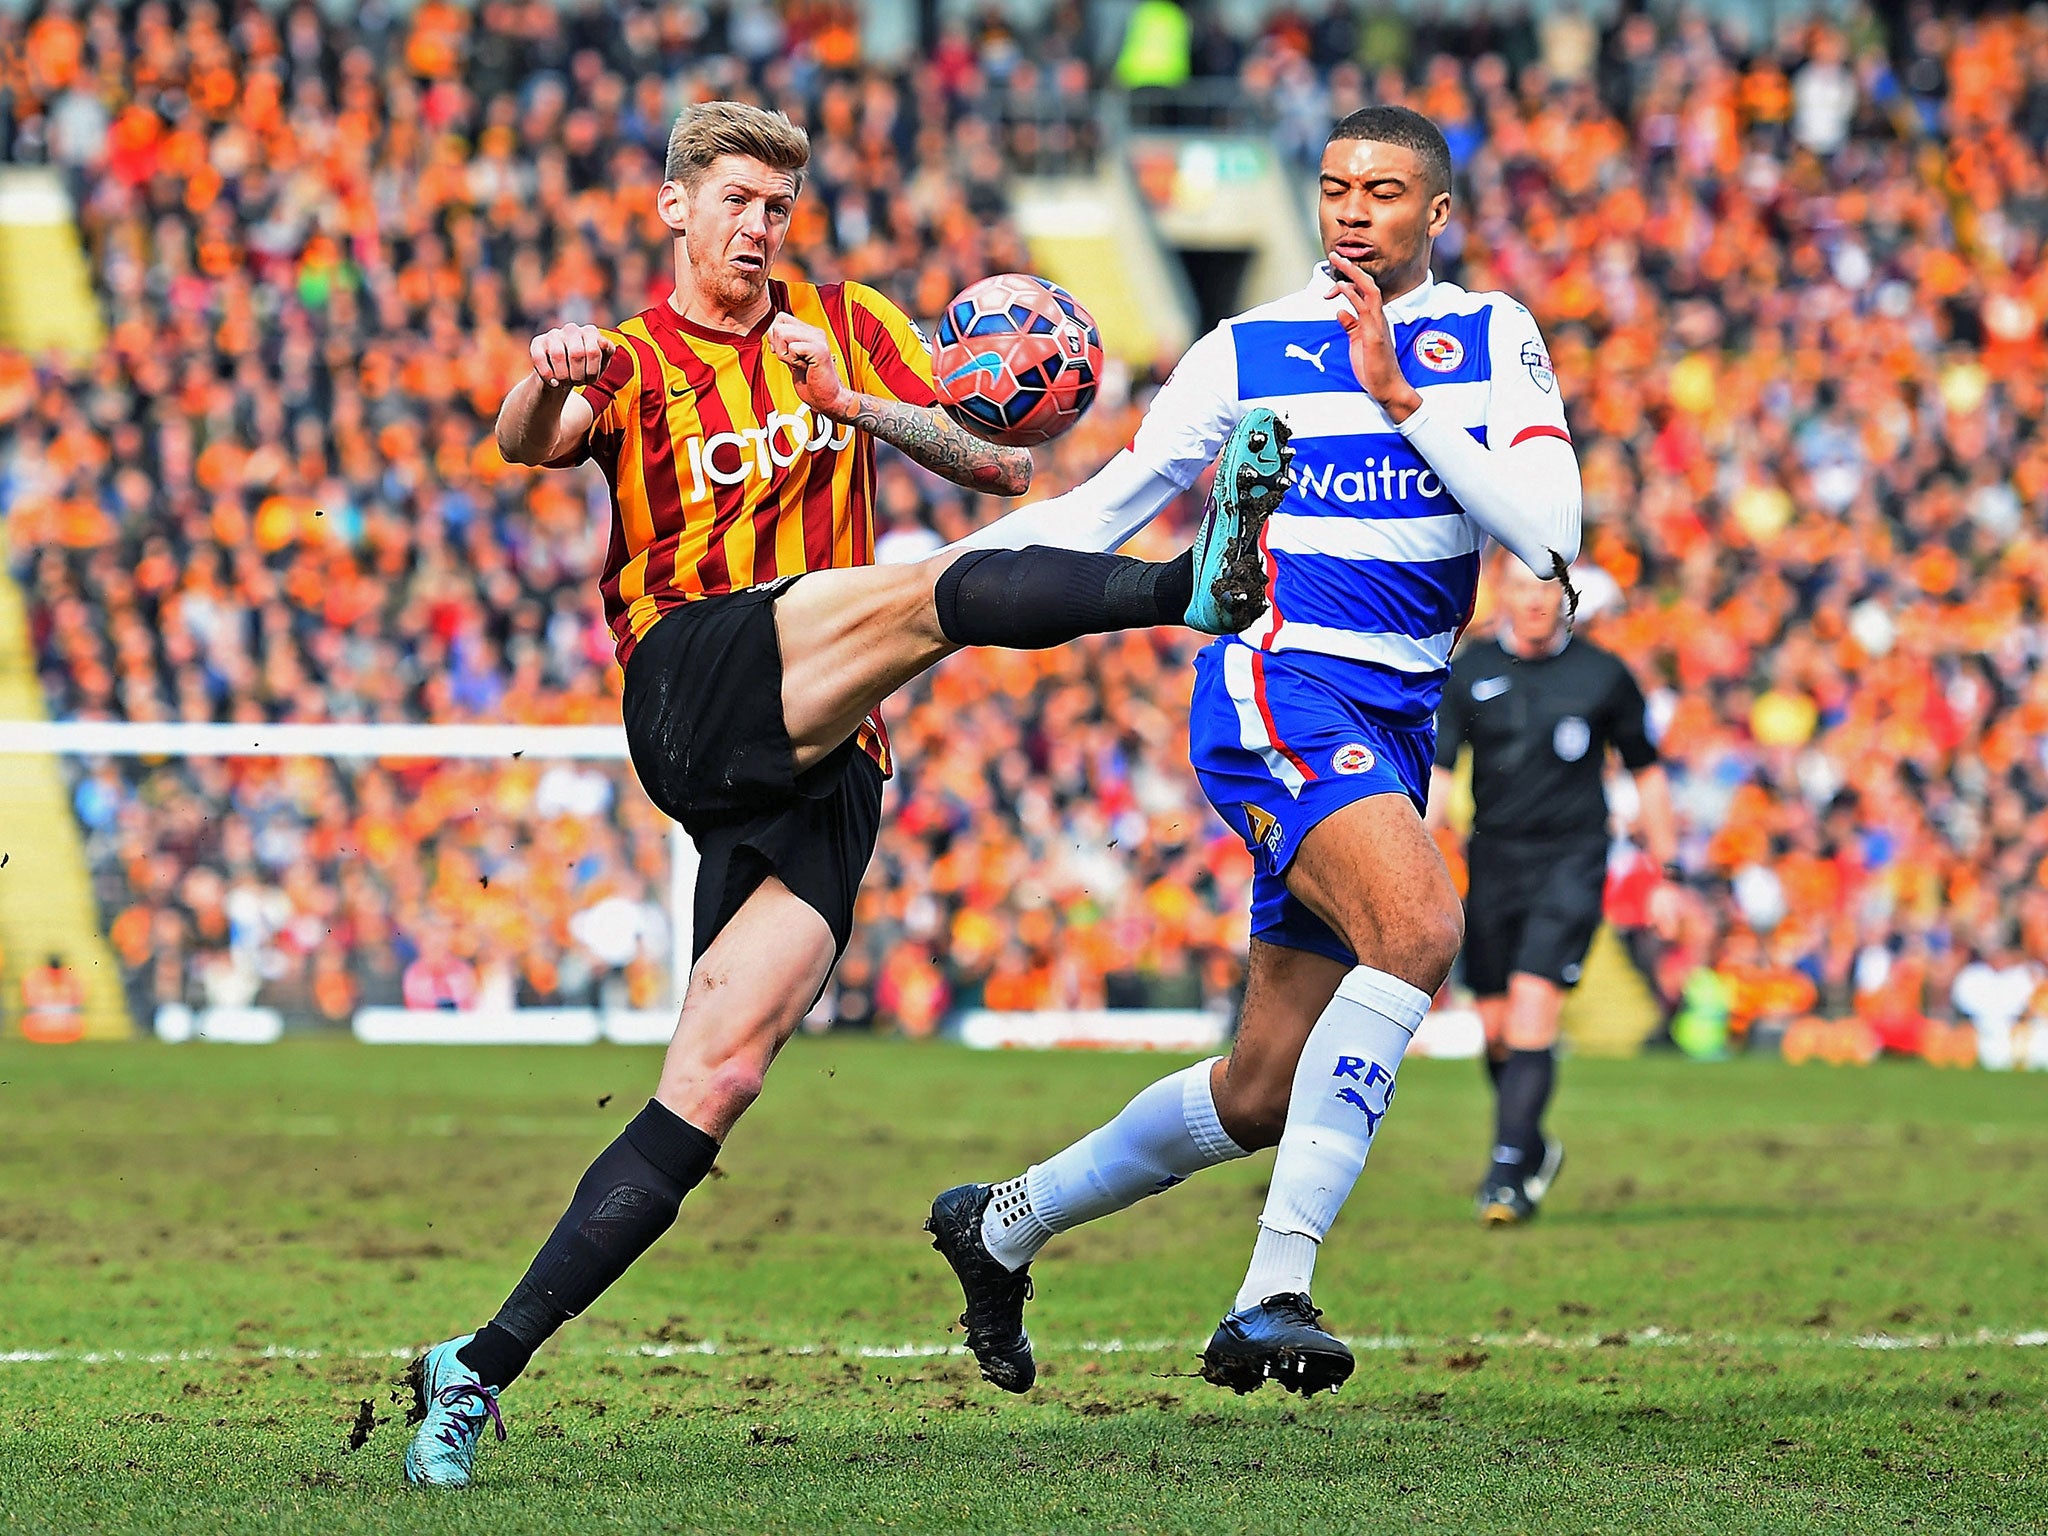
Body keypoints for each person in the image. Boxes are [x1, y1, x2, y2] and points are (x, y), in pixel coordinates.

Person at [403, 100, 1283, 1487]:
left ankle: (472, 1368)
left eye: (779, 208)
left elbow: (1004, 466)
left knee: (717, 1080)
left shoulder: (845, 325)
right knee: (927, 595)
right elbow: (529, 439)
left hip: (821, 751)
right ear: (675, 210)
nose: (760, 228)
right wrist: (543, 369)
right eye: (738, 202)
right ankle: (1189, 587)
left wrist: (851, 403)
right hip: (697, 676)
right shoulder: (635, 357)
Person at [925, 104, 1581, 1397]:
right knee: (1420, 931)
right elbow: (1111, 507)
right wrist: (921, 585)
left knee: (1262, 1091)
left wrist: (1407, 402)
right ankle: (1274, 1288)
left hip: (1394, 723)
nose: (1352, 210)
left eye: (1383, 192)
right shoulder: (1248, 351)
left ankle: (1000, 1223)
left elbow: (1551, 528)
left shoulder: (1493, 339)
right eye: (1335, 187)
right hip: (1279, 693)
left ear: (1436, 216)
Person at [1427, 555, 1676, 1225]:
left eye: (1546, 589)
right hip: (1493, 863)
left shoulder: (1604, 675)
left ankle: (1506, 1175)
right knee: (1498, 1031)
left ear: (1566, 598)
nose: (1534, 602)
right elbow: (1441, 775)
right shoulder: (1470, 671)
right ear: (1501, 594)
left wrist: (1667, 874)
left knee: (1535, 1011)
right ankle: (1533, 1147)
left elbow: (1648, 774)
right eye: (1521, 588)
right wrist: (1415, 853)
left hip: (1572, 861)